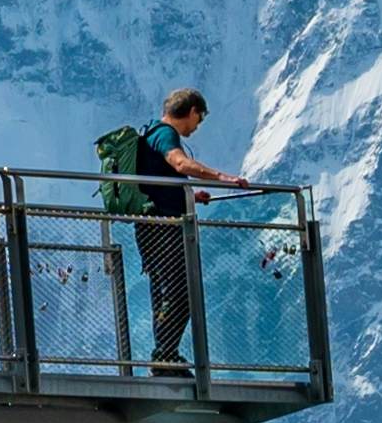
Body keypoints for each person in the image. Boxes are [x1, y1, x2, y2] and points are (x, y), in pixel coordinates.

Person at [105, 87, 269, 370]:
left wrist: (191, 196)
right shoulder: (166, 134)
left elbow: (156, 183)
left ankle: (164, 355)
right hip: (164, 226)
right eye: (199, 120)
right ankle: (165, 355)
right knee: (182, 291)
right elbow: (179, 164)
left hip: (150, 224)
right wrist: (222, 177)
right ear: (192, 111)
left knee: (164, 290)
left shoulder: (150, 134)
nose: (197, 126)